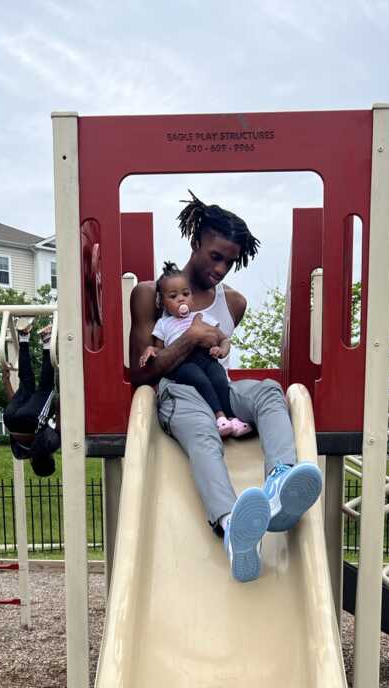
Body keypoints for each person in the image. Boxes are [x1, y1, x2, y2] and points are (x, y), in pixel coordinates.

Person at [129, 192, 323, 583]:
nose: (221, 268)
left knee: (270, 391)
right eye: (215, 256)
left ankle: (280, 482)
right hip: (179, 389)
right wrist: (190, 338)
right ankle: (231, 525)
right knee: (203, 434)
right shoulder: (153, 294)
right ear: (195, 241)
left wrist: (216, 343)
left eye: (230, 261)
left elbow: (222, 353)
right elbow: (141, 374)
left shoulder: (233, 302)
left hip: (220, 387)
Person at [140, 261, 252, 440]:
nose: (181, 299)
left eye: (185, 294)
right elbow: (160, 351)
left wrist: (221, 350)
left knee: (218, 377)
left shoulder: (201, 317)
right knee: (198, 379)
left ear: (192, 297)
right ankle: (219, 417)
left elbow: (224, 339)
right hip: (183, 365)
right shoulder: (163, 324)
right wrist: (150, 350)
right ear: (162, 302)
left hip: (206, 359)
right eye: (173, 296)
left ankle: (233, 418)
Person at [2, 319, 60, 477]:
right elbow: (16, 415)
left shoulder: (49, 446)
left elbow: (58, 424)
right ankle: (24, 335)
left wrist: (62, 399)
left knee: (47, 388)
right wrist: (6, 381)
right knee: (26, 381)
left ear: (50, 459)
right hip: (9, 419)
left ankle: (47, 339)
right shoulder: (19, 453)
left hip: (31, 421)